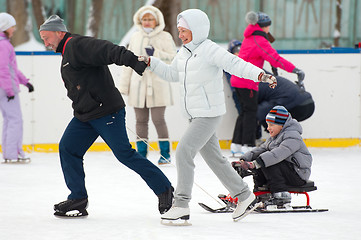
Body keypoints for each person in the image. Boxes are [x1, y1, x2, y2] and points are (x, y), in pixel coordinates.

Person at [139, 9, 277, 222]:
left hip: (208, 113)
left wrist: (260, 75)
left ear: (197, 29)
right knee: (215, 159)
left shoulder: (210, 49)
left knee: (184, 151)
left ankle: (181, 204)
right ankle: (244, 196)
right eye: (179, 30)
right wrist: (151, 62)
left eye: (184, 31)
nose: (181, 35)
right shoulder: (184, 51)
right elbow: (172, 74)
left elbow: (236, 64)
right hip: (195, 115)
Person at [38, 15, 174, 217]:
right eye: (42, 39)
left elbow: (107, 50)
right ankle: (78, 198)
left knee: (124, 154)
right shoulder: (67, 51)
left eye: (47, 37)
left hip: (106, 111)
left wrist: (132, 60)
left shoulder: (77, 45)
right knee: (68, 148)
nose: (46, 43)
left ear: (59, 32)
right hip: (85, 115)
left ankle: (164, 189)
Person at [230, 11, 305, 156]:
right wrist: (295, 70)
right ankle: (248, 145)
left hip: (238, 79)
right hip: (247, 81)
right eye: (268, 26)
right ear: (264, 26)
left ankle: (236, 145)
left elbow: (261, 56)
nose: (269, 29)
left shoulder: (249, 37)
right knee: (251, 113)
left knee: (245, 112)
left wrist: (273, 67)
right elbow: (275, 58)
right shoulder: (259, 40)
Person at [119, 6, 176, 165]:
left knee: (159, 119)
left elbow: (173, 59)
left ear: (157, 20)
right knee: (140, 120)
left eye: (150, 19)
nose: (148, 22)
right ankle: (141, 154)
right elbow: (127, 63)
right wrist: (124, 86)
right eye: (145, 19)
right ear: (140, 20)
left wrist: (155, 54)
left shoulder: (165, 37)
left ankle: (165, 154)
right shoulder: (135, 38)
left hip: (158, 85)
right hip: (138, 86)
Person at [234, 105, 312, 207]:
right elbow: (261, 149)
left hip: (298, 174)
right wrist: (244, 159)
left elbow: (279, 154)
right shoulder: (275, 137)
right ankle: (260, 194)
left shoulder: (293, 136)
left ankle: (281, 196)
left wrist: (255, 163)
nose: (268, 128)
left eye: (271, 125)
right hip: (287, 171)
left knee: (268, 162)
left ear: (282, 125)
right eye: (267, 124)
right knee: (262, 160)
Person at [0, 13, 34, 163]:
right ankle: (13, 154)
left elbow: (11, 68)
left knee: (10, 120)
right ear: (5, 27)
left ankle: (10, 153)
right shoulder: (3, 45)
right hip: (6, 89)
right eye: (12, 26)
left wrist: (25, 82)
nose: (14, 29)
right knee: (15, 120)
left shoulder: (4, 44)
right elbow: (3, 69)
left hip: (6, 87)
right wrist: (9, 90)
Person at [224, 39, 242, 114]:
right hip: (237, 92)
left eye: (240, 49)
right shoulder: (228, 63)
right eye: (236, 50)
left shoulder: (246, 62)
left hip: (249, 92)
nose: (238, 53)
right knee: (243, 115)